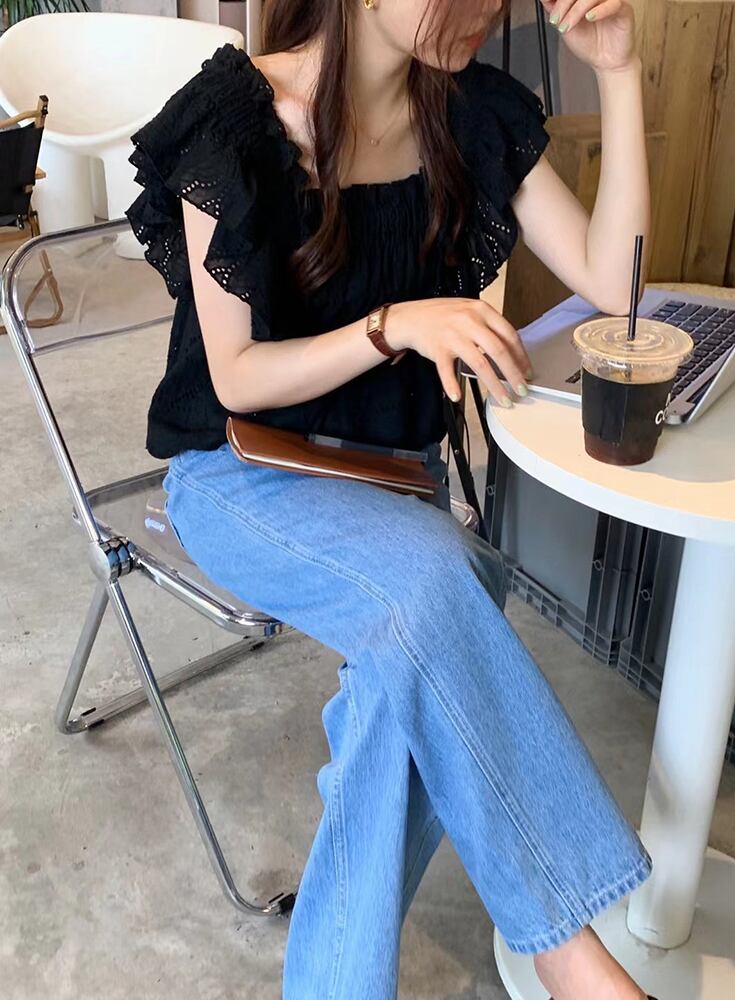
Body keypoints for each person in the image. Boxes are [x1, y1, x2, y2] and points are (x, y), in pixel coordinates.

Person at [125, 1, 660, 997]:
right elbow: (236, 377)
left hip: (394, 487)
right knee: (443, 584)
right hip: (242, 474)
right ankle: (576, 964)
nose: (486, 9)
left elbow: (617, 285)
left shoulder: (470, 112)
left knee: (413, 659)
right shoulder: (233, 119)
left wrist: (622, 75)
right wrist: (395, 325)